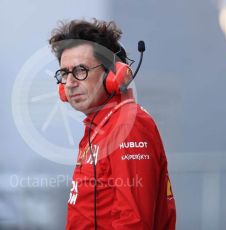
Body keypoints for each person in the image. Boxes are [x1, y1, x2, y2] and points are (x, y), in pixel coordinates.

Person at [48, 19, 176, 230]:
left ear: (113, 74)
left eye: (81, 70)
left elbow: (134, 222)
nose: (70, 83)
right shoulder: (99, 128)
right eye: (64, 73)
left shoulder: (128, 125)